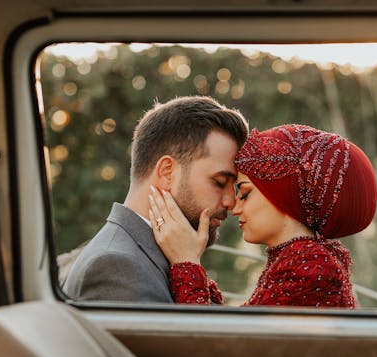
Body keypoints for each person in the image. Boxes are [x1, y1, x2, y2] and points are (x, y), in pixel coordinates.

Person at [149, 124, 377, 308]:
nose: (235, 208)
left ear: (284, 196)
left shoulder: (309, 267)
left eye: (245, 193)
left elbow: (224, 354)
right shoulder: (298, 259)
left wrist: (186, 264)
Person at [63, 96, 249, 302]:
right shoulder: (115, 267)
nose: (231, 202)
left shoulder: (150, 254)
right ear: (167, 172)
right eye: (220, 182)